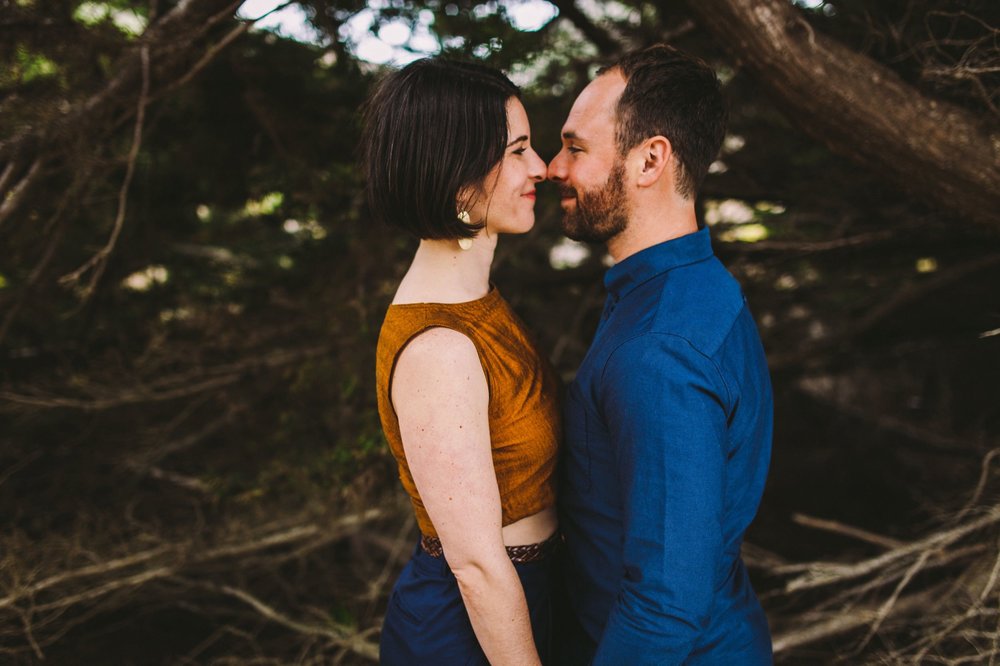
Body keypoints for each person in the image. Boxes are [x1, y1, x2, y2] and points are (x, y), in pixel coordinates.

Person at [547, 44, 774, 664]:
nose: (551, 167)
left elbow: (665, 607)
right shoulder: (686, 286)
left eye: (576, 147)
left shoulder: (661, 349)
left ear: (650, 160)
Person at [362, 58, 560, 665]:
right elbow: (474, 566)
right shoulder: (438, 350)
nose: (542, 168)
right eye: (518, 150)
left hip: (525, 600)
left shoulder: (476, 302)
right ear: (458, 180)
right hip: (469, 632)